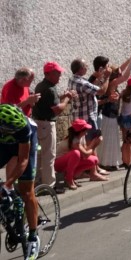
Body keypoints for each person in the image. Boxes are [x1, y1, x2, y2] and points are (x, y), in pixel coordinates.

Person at [0, 104, 40, 260]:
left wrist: (8, 184)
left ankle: (33, 237)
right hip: (3, 144)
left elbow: (23, 160)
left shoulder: (24, 128)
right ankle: (9, 205)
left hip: (24, 145)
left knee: (27, 190)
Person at [32, 61, 76, 193]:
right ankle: (49, 186)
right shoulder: (50, 88)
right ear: (49, 74)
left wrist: (64, 95)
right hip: (46, 124)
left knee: (39, 155)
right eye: (57, 73)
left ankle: (38, 182)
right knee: (49, 155)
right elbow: (57, 109)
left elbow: (51, 100)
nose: (60, 76)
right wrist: (68, 98)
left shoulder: (41, 85)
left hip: (39, 123)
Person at [67, 58, 112, 177]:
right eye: (86, 65)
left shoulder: (73, 79)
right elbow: (102, 91)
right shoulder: (82, 83)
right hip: (88, 117)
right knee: (94, 142)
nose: (87, 67)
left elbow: (92, 87)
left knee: (89, 143)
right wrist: (107, 77)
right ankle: (93, 172)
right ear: (81, 69)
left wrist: (100, 77)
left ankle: (94, 168)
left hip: (79, 116)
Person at [97, 55, 131, 171]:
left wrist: (130, 58)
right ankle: (106, 162)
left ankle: (108, 162)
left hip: (111, 115)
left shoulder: (112, 82)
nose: (120, 74)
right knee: (109, 139)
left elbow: (120, 70)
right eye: (118, 73)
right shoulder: (112, 83)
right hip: (108, 115)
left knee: (111, 139)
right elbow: (125, 76)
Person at [55, 119, 107, 190]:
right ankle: (69, 179)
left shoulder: (81, 137)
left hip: (69, 161)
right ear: (80, 131)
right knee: (76, 153)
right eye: (85, 130)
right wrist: (94, 144)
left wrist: (93, 142)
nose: (86, 133)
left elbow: (86, 150)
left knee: (94, 160)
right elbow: (85, 154)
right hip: (59, 164)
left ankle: (71, 176)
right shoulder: (74, 140)